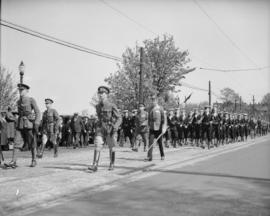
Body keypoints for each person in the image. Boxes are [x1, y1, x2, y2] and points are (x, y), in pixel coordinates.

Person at [6, 83, 41, 168]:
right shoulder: (18, 101)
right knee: (16, 143)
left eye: (22, 90)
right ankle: (13, 161)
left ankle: (34, 160)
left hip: (29, 125)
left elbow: (38, 112)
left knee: (32, 143)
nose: (20, 91)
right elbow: (20, 113)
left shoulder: (31, 100)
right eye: (19, 90)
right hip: (20, 125)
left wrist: (36, 123)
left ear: (27, 91)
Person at [88, 86, 122, 172]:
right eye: (99, 93)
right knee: (97, 144)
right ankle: (95, 165)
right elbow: (100, 117)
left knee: (112, 147)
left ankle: (112, 163)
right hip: (101, 128)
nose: (100, 95)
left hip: (110, 128)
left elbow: (119, 118)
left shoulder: (111, 105)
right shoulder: (98, 106)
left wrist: (115, 126)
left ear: (106, 95)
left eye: (102, 93)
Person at [145, 94, 166, 161]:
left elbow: (163, 119)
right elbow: (148, 119)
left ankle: (162, 155)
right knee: (150, 142)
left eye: (154, 100)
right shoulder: (150, 109)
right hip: (152, 128)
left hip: (159, 128)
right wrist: (148, 127)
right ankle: (149, 157)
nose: (153, 101)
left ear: (157, 101)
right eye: (152, 100)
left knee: (160, 143)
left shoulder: (160, 108)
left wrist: (163, 128)